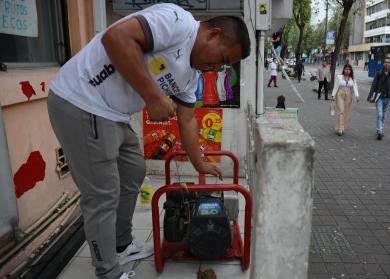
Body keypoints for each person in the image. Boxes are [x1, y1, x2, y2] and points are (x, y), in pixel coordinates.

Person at [47, 4, 250, 279]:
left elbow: (187, 120)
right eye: (222, 58)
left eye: (224, 66)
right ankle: (108, 271)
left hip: (113, 114)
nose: (217, 68)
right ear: (212, 34)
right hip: (81, 101)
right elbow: (115, 38)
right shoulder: (176, 21)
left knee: (132, 171)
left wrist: (200, 163)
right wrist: (154, 97)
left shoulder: (191, 76)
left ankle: (121, 243)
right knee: (102, 195)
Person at [367, 56, 390, 140]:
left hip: (388, 97)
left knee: (384, 114)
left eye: (388, 62)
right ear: (383, 63)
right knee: (379, 114)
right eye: (385, 62)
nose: (386, 63)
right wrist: (370, 96)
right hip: (379, 97)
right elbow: (373, 85)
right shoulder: (379, 73)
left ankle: (380, 129)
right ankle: (379, 131)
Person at [331, 64, 360, 136]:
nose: (347, 71)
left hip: (349, 95)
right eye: (346, 69)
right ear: (343, 70)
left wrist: (357, 96)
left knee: (346, 112)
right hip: (340, 94)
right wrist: (333, 95)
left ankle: (342, 126)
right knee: (341, 111)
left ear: (351, 71)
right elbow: (335, 87)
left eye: (349, 70)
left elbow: (355, 87)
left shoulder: (352, 78)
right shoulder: (339, 77)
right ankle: (340, 129)